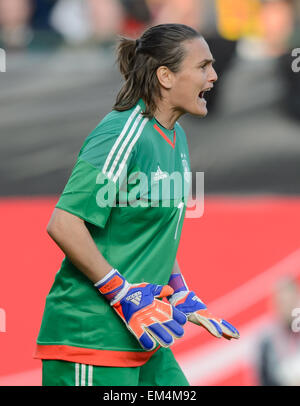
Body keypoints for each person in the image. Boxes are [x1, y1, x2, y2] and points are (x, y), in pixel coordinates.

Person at [34, 23, 240, 387]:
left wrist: (178, 289)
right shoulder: (122, 132)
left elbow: (152, 230)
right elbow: (64, 223)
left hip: (146, 335)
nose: (214, 75)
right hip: (92, 339)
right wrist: (122, 293)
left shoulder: (175, 136)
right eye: (203, 66)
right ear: (165, 76)